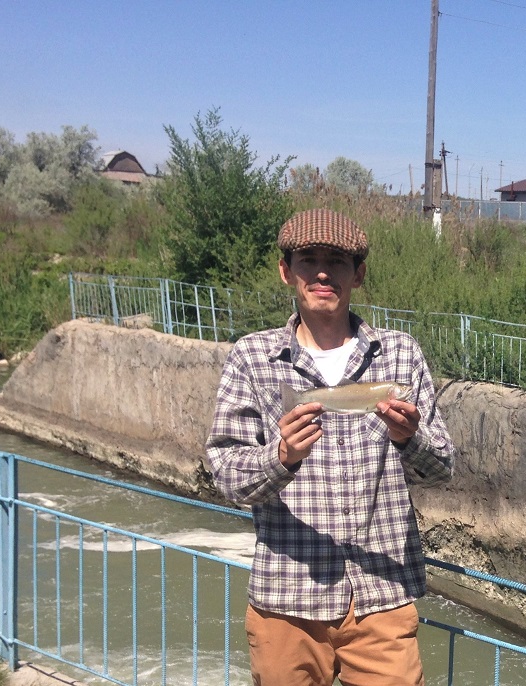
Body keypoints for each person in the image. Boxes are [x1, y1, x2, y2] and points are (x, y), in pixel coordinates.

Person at [205, 208, 455, 685]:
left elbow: (443, 466)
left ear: (358, 274)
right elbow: (226, 474)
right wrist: (281, 458)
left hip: (382, 598)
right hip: (287, 602)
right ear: (286, 271)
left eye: (337, 262)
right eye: (309, 260)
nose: (322, 274)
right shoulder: (252, 357)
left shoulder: (400, 353)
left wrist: (410, 439)